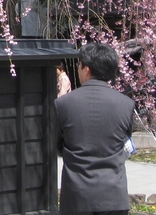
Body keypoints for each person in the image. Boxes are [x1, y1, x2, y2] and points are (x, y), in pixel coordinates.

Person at [56, 43, 135, 215]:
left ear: (86, 69)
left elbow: (57, 144)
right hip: (114, 194)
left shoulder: (63, 104)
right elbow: (125, 141)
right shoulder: (126, 104)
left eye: (79, 64)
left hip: (77, 194)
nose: (77, 68)